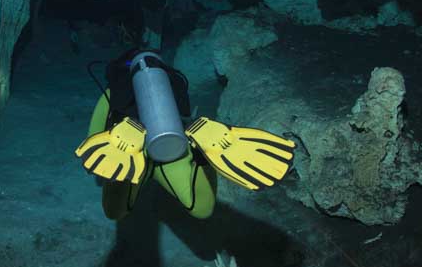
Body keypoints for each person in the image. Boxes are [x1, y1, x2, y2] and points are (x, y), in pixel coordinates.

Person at [75, 49, 296, 220]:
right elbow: (181, 115)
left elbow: (91, 144)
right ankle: (201, 156)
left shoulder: (112, 92)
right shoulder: (172, 88)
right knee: (201, 209)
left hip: (132, 151)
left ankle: (125, 162)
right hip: (173, 147)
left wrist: (109, 160)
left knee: (115, 212)